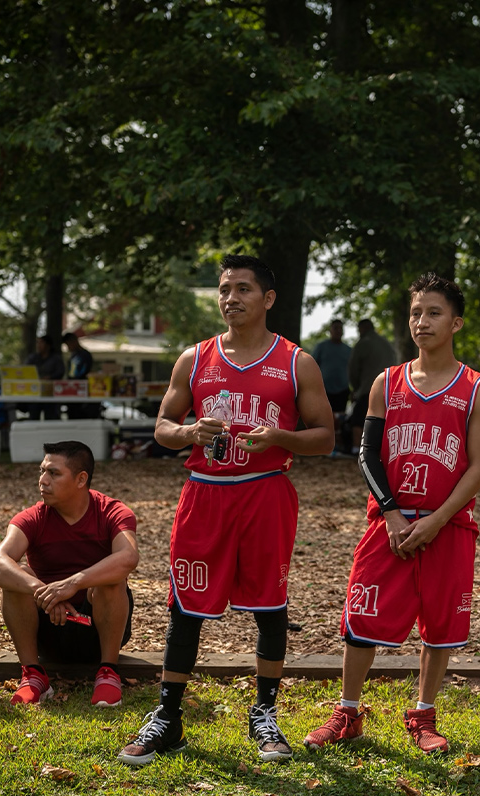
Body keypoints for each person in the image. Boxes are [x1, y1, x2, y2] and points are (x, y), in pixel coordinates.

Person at [117, 254, 334, 766]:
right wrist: (190, 432)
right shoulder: (194, 358)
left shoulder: (296, 361)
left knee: (268, 605)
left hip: (265, 493)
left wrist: (281, 436)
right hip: (205, 493)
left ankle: (264, 714)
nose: (231, 298)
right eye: (224, 290)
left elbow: (325, 438)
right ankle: (168, 717)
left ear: (268, 298)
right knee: (185, 605)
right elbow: (162, 426)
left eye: (243, 289)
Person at [303, 274, 480, 755]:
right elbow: (368, 455)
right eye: (415, 312)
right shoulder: (387, 382)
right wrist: (391, 514)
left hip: (446, 525)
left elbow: (477, 469)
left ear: (457, 322)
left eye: (433, 312)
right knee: (361, 617)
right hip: (388, 524)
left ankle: (424, 715)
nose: (422, 321)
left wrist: (437, 520)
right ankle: (347, 712)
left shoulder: (476, 390)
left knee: (439, 626)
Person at [0, 440, 139, 707]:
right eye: (42, 471)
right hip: (49, 627)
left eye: (54, 473)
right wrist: (46, 594)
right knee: (16, 574)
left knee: (111, 579)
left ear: (81, 479)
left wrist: (72, 583)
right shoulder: (33, 517)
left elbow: (128, 557)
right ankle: (33, 675)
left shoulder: (112, 512)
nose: (43, 480)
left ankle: (107, 673)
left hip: (98, 631)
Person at [346, 318, 397, 454]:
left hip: (368, 388)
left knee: (358, 419)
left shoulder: (363, 344)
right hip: (390, 389)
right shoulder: (387, 344)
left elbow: (353, 370)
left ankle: (356, 448)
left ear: (362, 328)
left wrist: (356, 388)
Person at [311, 319, 352, 456]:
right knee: (325, 418)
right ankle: (322, 446)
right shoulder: (321, 347)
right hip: (324, 390)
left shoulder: (348, 350)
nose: (338, 331)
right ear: (330, 330)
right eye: (335, 328)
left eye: (340, 328)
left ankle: (337, 446)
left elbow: (353, 371)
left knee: (339, 419)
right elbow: (312, 365)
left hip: (342, 390)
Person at [25, 335, 65, 421]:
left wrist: (50, 377)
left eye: (41, 343)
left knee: (51, 416)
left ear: (48, 345)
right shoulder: (33, 358)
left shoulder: (56, 358)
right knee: (33, 415)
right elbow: (25, 369)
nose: (38, 345)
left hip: (51, 392)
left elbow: (60, 372)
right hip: (35, 391)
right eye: (37, 343)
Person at [61, 332, 100, 419]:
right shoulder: (73, 355)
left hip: (81, 388)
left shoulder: (84, 355)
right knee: (72, 412)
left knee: (79, 414)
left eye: (69, 344)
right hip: (72, 388)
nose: (68, 348)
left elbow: (80, 373)